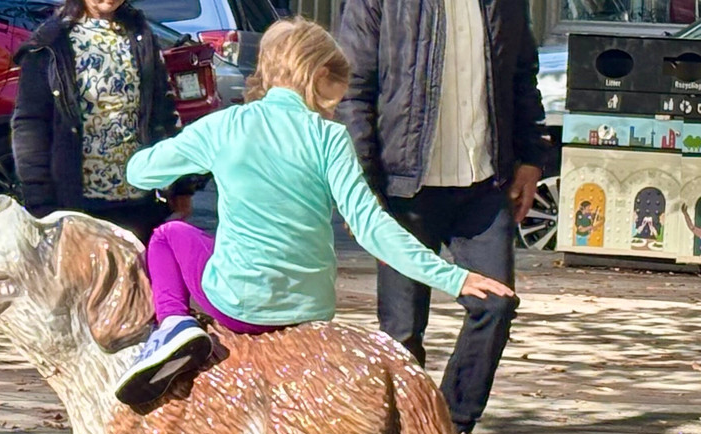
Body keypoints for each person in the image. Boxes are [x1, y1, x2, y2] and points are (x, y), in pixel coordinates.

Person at [114, 18, 513, 406]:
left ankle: (173, 326)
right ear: (320, 75)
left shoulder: (225, 126)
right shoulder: (331, 139)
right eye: (335, 94)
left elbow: (140, 171)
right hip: (311, 310)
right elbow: (372, 228)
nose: (334, 107)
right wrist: (453, 278)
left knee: (170, 236)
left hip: (240, 304)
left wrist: (189, 147)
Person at [337, 0, 548, 434]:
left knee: (495, 304)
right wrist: (363, 185)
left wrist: (531, 156)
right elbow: (353, 90)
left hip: (484, 185)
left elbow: (522, 75)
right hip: (402, 187)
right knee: (402, 330)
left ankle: (450, 429)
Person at [10, 0, 194, 244]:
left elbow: (163, 113)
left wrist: (181, 185)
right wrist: (40, 202)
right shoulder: (51, 43)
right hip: (76, 207)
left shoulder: (140, 35)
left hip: (138, 202)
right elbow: (30, 126)